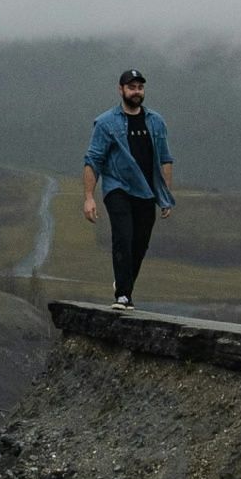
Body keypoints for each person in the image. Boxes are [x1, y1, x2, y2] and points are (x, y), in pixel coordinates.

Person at [83, 69, 174, 309]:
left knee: (140, 244)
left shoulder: (156, 121)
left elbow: (165, 158)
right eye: (131, 87)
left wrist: (165, 196)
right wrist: (89, 198)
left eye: (140, 87)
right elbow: (93, 160)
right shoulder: (105, 122)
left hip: (147, 191)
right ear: (121, 89)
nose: (136, 92)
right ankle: (123, 296)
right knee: (123, 237)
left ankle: (123, 282)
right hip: (118, 188)